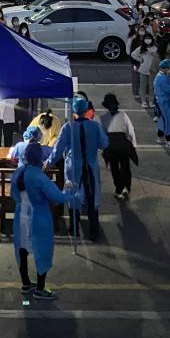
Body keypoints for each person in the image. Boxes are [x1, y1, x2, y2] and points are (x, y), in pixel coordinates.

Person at [12, 142, 70, 300]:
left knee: (22, 250)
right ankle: (40, 288)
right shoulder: (39, 176)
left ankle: (26, 283)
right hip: (38, 218)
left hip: (20, 217)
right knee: (42, 251)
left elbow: (13, 194)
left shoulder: (19, 172)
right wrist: (68, 191)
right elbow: (57, 197)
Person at [47, 95, 109, 241]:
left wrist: (49, 162)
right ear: (86, 110)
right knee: (92, 196)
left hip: (73, 167)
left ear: (74, 111)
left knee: (72, 195)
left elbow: (58, 149)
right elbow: (104, 144)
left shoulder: (68, 127)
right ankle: (94, 229)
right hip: (90, 166)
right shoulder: (95, 126)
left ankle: (74, 226)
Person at [99, 93, 137, 201]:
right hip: (123, 145)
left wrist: (104, 148)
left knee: (114, 168)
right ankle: (126, 187)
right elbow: (130, 131)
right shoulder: (123, 115)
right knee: (125, 167)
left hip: (111, 147)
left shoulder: (103, 118)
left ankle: (118, 188)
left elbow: (102, 135)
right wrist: (133, 145)